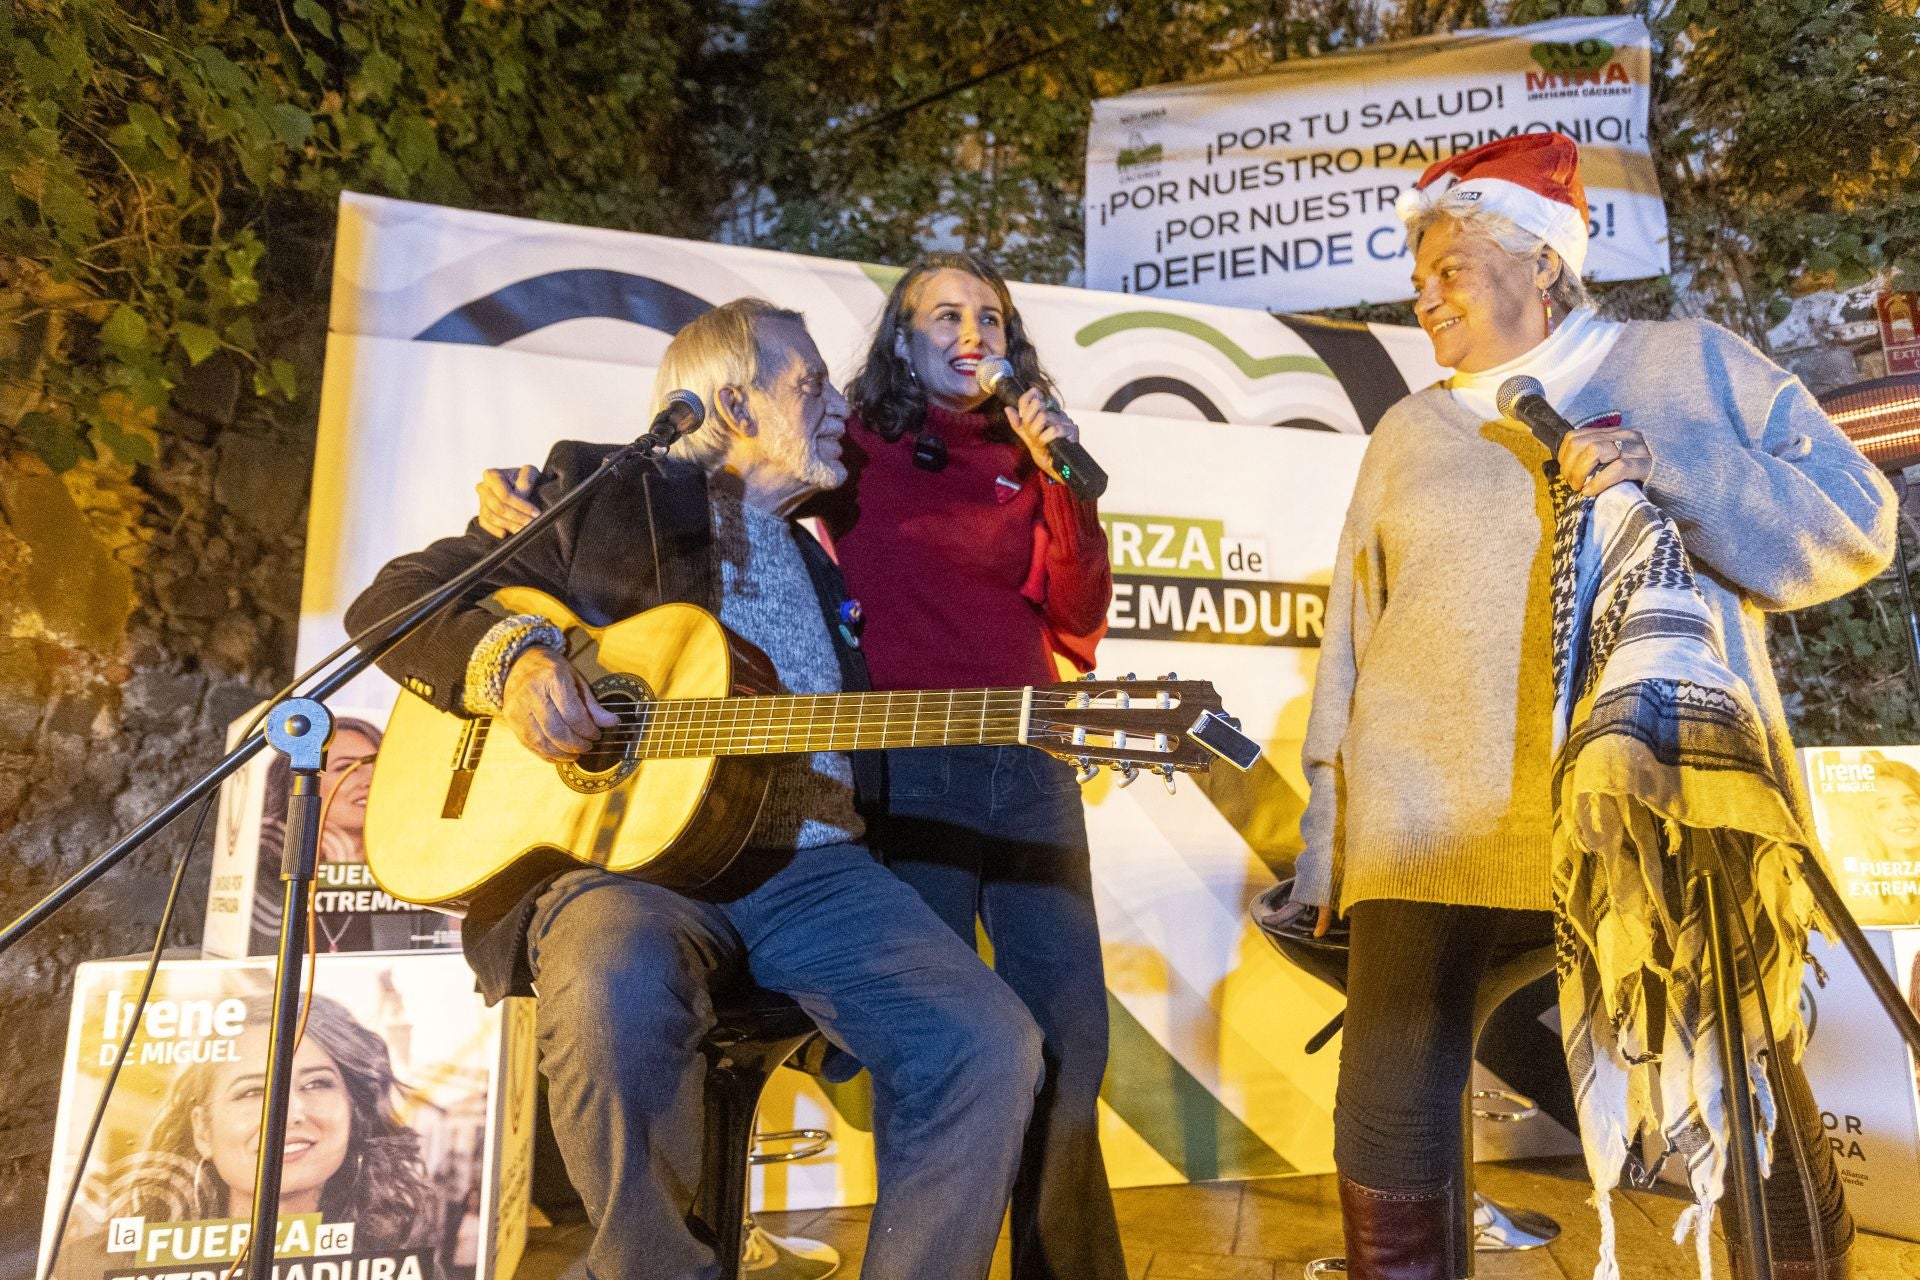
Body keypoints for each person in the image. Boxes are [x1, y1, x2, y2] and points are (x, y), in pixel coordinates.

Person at [1292, 133, 1895, 1279]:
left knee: (1742, 1080)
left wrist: (1667, 463)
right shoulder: (1410, 431)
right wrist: (1331, 834)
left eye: (1451, 265)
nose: (1425, 292)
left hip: (1658, 795)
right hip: (1429, 820)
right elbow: (1352, 642)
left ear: (1545, 262)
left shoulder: (1689, 367)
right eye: (1416, 275)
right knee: (1389, 1095)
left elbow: (1856, 523)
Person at [349, 298, 1045, 1280]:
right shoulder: (600, 491)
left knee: (988, 1038)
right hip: (626, 863)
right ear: (732, 397)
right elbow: (395, 596)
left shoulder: (820, 549)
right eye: (811, 383)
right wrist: (510, 663)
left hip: (818, 873)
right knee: (608, 968)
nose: (838, 403)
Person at [62, 993, 435, 1272]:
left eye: (317, 1084)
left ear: (355, 1113)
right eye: (253, 1091)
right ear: (203, 1129)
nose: (291, 1113)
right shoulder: (97, 1266)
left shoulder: (399, 1264)